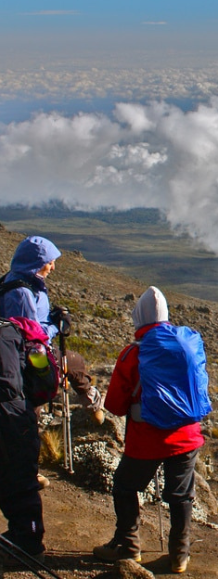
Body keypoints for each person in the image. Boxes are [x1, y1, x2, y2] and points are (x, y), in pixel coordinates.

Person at [93, 286, 205, 574]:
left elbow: (115, 406)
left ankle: (128, 547)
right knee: (181, 496)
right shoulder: (187, 347)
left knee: (126, 486)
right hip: (187, 436)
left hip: (146, 439)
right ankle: (180, 555)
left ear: (139, 317)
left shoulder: (133, 355)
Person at [0, 235, 104, 426]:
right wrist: (56, 326)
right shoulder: (21, 293)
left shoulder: (17, 280)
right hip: (28, 358)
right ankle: (93, 407)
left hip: (18, 355)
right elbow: (30, 336)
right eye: (49, 263)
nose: (53, 268)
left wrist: (50, 319)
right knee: (72, 364)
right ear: (36, 262)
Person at [0, 318, 46, 569]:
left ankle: (27, 545)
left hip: (9, 421)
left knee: (17, 485)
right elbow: (38, 371)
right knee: (21, 484)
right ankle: (28, 540)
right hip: (22, 417)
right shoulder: (15, 330)